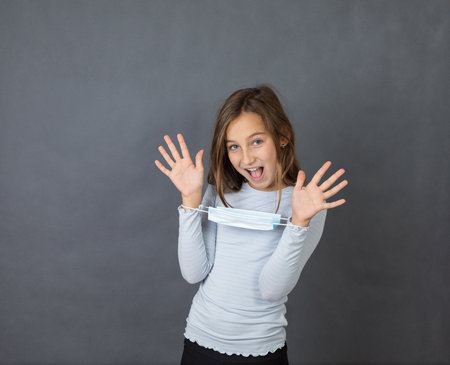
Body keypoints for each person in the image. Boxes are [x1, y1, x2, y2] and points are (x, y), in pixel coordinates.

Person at [155, 85, 348, 364]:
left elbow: (272, 289)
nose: (246, 158)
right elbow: (193, 272)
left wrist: (299, 222)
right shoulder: (217, 193)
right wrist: (190, 201)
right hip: (200, 342)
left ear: (283, 136)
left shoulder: (308, 205)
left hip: (261, 351)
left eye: (256, 141)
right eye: (234, 146)